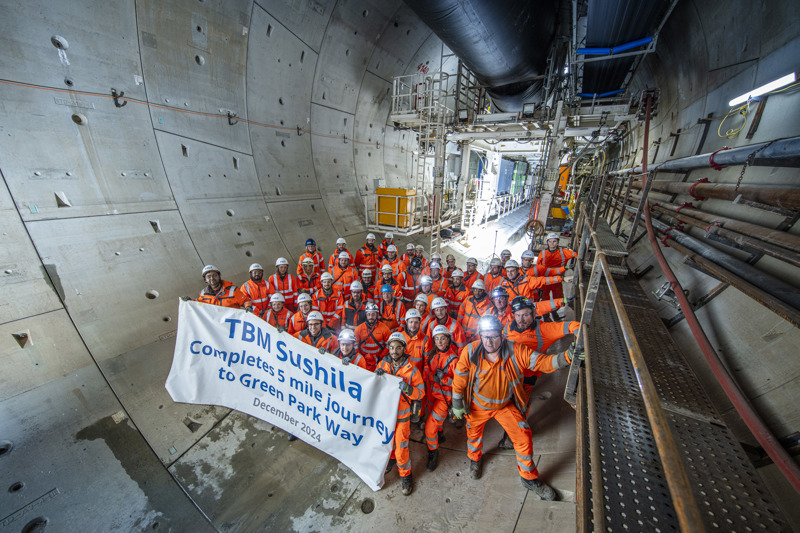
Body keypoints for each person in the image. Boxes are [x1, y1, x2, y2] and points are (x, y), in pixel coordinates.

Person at [451, 315, 576, 500]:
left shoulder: (516, 350)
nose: (489, 341)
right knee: (473, 435)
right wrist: (457, 404)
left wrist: (568, 356)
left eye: (493, 336)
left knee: (523, 437)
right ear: (480, 335)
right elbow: (459, 379)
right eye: (485, 336)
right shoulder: (471, 351)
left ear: (502, 336)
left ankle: (529, 478)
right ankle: (475, 459)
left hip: (504, 405)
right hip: (478, 406)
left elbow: (544, 363)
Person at [497, 296, 580, 449]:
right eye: (518, 315)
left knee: (521, 405)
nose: (521, 320)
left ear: (534, 314)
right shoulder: (508, 328)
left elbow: (573, 325)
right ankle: (511, 430)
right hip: (509, 374)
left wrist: (579, 339)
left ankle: (514, 436)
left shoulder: (544, 330)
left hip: (528, 377)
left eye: (526, 315)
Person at [375, 332, 425, 496]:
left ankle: (406, 475)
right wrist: (377, 377)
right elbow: (374, 386)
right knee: (387, 444)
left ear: (404, 348)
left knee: (401, 449)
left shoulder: (412, 370)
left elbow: (420, 393)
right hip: (386, 415)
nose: (394, 351)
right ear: (388, 348)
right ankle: (390, 461)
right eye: (391, 347)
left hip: (402, 417)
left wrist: (409, 389)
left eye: (398, 347)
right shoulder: (383, 365)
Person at [424, 324, 460, 471]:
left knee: (429, 427)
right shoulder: (434, 354)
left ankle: (433, 451)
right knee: (437, 425)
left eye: (442, 339)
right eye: (437, 339)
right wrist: (433, 375)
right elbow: (427, 370)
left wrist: (444, 378)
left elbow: (459, 383)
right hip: (433, 395)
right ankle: (440, 434)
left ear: (448, 340)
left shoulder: (454, 360)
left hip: (445, 399)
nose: (439, 342)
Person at [536, 233, 577, 299]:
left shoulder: (564, 252)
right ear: (547, 242)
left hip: (557, 279)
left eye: (554, 241)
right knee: (544, 297)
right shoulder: (543, 253)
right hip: (545, 279)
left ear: (558, 242)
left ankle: (557, 308)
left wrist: (578, 258)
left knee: (558, 298)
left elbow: (576, 254)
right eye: (550, 241)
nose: (552, 243)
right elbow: (538, 267)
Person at [354, 302, 391, 371]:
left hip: (378, 360)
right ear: (366, 315)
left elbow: (388, 345)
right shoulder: (358, 329)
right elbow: (355, 345)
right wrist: (360, 356)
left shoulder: (385, 329)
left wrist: (381, 357)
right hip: (363, 359)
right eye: (369, 314)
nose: (371, 317)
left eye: (373, 314)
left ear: (377, 315)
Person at [401, 309, 433, 375]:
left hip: (418, 376)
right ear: (406, 322)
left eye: (416, 322)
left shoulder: (425, 339)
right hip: (402, 374)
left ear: (419, 323)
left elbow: (427, 362)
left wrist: (424, 379)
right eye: (411, 322)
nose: (413, 325)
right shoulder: (400, 337)